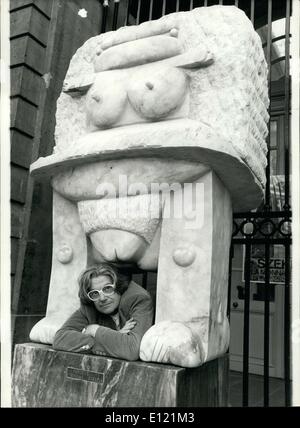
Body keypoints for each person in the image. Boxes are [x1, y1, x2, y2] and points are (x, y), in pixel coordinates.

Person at [53, 263, 154, 361]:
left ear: (119, 286)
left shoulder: (138, 298)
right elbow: (60, 339)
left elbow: (131, 349)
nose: (102, 298)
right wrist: (113, 338)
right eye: (95, 293)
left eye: (107, 288)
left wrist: (94, 330)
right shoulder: (90, 304)